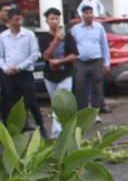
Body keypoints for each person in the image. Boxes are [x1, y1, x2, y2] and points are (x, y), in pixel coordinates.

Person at [0, 8, 46, 136]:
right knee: (9, 103)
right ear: (9, 21)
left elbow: (34, 54)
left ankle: (41, 126)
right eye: (15, 20)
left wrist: (19, 67)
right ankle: (8, 130)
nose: (18, 22)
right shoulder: (3, 36)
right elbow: (1, 56)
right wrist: (6, 68)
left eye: (20, 19)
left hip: (24, 73)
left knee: (31, 101)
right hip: (8, 74)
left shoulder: (29, 35)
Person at [39, 7, 78, 138]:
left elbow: (74, 55)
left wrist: (61, 61)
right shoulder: (44, 37)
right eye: (52, 19)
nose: (55, 21)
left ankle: (59, 133)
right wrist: (56, 41)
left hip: (65, 74)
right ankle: (60, 132)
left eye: (57, 18)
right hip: (50, 76)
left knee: (63, 103)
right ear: (46, 21)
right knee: (55, 104)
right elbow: (45, 56)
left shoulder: (68, 36)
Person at [71, 5, 111, 113]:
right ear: (82, 15)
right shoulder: (76, 29)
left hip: (96, 62)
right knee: (80, 88)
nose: (88, 15)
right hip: (80, 63)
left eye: (90, 12)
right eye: (86, 13)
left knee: (97, 88)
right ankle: (82, 112)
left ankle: (95, 111)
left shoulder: (99, 27)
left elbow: (104, 45)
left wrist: (107, 62)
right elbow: (72, 45)